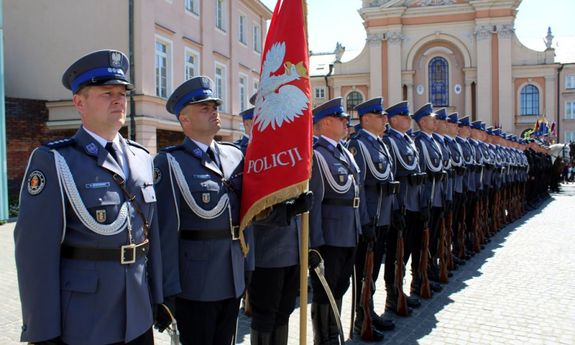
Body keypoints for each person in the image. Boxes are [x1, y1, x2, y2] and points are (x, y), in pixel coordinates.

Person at [14, 50, 163, 345]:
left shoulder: (141, 158)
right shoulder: (55, 161)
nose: (119, 99)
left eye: (122, 92)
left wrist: (158, 297)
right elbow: (35, 255)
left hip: (138, 312)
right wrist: (43, 330)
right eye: (107, 92)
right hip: (86, 319)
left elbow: (152, 236)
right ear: (79, 102)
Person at [153, 76, 309, 345]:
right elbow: (164, 234)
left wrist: (286, 211)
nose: (214, 112)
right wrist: (166, 292)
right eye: (205, 108)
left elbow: (248, 214)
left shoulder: (234, 156)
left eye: (214, 106)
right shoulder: (169, 163)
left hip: (234, 274)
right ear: (185, 119)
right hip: (195, 283)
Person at [308, 97, 364, 344]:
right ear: (327, 122)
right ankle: (324, 338)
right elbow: (315, 202)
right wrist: (315, 243)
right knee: (325, 290)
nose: (346, 123)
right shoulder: (317, 155)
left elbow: (356, 194)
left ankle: (334, 332)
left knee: (340, 285)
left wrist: (360, 227)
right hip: (329, 237)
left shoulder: (344, 152)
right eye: (342, 119)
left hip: (349, 231)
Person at [347, 97, 396, 341]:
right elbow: (358, 187)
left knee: (374, 271)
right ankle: (360, 318)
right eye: (381, 116)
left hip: (383, 217)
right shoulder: (358, 145)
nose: (385, 120)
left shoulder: (380, 144)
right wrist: (365, 222)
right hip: (370, 220)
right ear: (366, 119)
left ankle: (370, 310)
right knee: (364, 272)